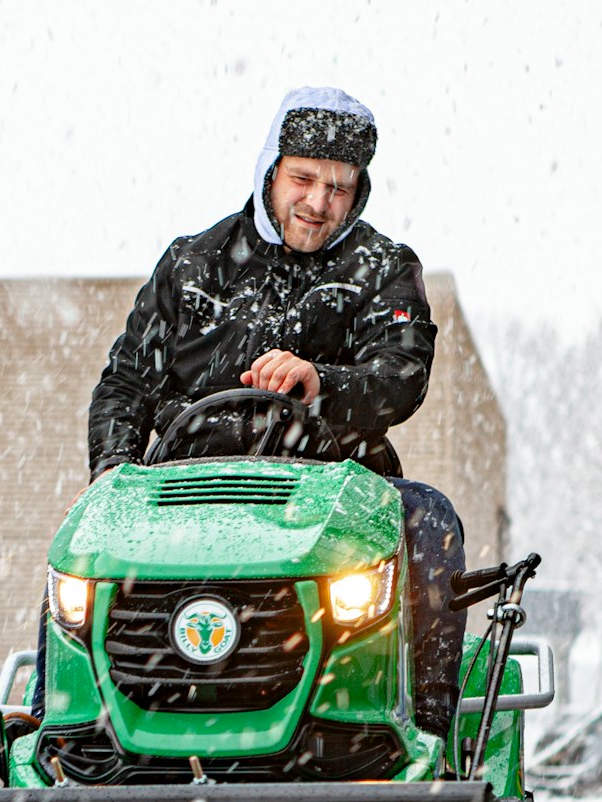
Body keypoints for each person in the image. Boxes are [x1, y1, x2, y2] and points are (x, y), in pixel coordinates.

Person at [48, 85, 466, 739]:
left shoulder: (383, 269)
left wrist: (320, 381)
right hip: (183, 489)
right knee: (82, 545)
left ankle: (425, 730)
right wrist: (113, 469)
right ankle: (70, 729)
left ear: (360, 191)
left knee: (428, 519)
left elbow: (401, 376)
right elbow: (125, 384)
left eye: (340, 188)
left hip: (335, 488)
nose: (319, 203)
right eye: (304, 179)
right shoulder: (192, 264)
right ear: (271, 168)